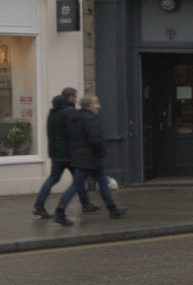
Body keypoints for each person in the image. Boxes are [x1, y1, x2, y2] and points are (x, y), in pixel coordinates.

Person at [53, 95, 128, 226]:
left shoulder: (74, 119)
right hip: (91, 158)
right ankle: (59, 212)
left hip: (80, 156)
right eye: (96, 103)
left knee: (103, 183)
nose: (99, 106)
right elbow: (95, 140)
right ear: (90, 105)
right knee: (76, 185)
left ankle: (113, 209)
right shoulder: (91, 119)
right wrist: (100, 153)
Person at [33, 87, 96, 219]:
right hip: (69, 153)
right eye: (75, 96)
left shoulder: (53, 112)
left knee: (53, 178)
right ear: (71, 97)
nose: (76, 99)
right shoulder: (70, 112)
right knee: (78, 179)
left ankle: (39, 205)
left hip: (56, 152)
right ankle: (85, 204)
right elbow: (76, 132)